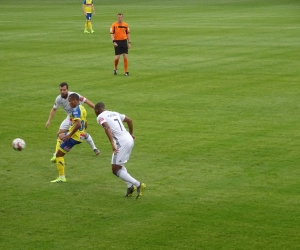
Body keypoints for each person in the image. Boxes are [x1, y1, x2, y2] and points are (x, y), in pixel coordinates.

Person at [94, 102, 146, 199]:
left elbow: (107, 127)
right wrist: (131, 134)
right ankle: (130, 187)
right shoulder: (114, 113)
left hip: (121, 143)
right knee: (119, 165)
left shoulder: (100, 117)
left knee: (115, 169)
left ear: (96, 110)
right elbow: (129, 120)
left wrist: (112, 143)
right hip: (129, 140)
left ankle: (138, 184)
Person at [46, 82, 100, 163]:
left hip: (78, 116)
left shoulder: (75, 96)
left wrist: (96, 109)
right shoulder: (59, 99)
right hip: (70, 117)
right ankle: (56, 154)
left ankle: (95, 148)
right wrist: (49, 120)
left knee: (83, 133)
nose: (62, 91)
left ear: (67, 90)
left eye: (64, 90)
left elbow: (86, 101)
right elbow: (54, 109)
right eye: (61, 90)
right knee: (59, 134)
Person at [51, 94, 86, 183]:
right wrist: (83, 132)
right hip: (81, 135)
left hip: (74, 137)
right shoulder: (82, 108)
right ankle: (56, 154)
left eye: (70, 101)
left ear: (74, 100)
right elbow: (85, 123)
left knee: (59, 155)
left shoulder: (75, 110)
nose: (69, 103)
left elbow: (78, 124)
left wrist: (69, 135)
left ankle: (61, 177)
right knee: (60, 136)